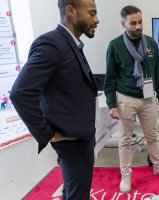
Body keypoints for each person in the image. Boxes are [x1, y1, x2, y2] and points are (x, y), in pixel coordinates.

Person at [9, 0, 99, 199]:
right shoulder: (52, 43)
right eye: (91, 13)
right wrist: (48, 133)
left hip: (81, 137)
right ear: (70, 10)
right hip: (71, 142)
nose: (97, 19)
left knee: (74, 190)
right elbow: (20, 93)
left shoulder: (71, 43)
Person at [104, 5, 159, 193]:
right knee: (124, 139)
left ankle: (158, 165)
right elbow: (110, 77)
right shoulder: (115, 46)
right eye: (133, 23)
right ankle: (126, 175)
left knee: (152, 136)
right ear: (123, 23)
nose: (138, 26)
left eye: (140, 22)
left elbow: (157, 71)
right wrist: (111, 103)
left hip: (148, 98)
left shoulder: (151, 43)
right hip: (126, 98)